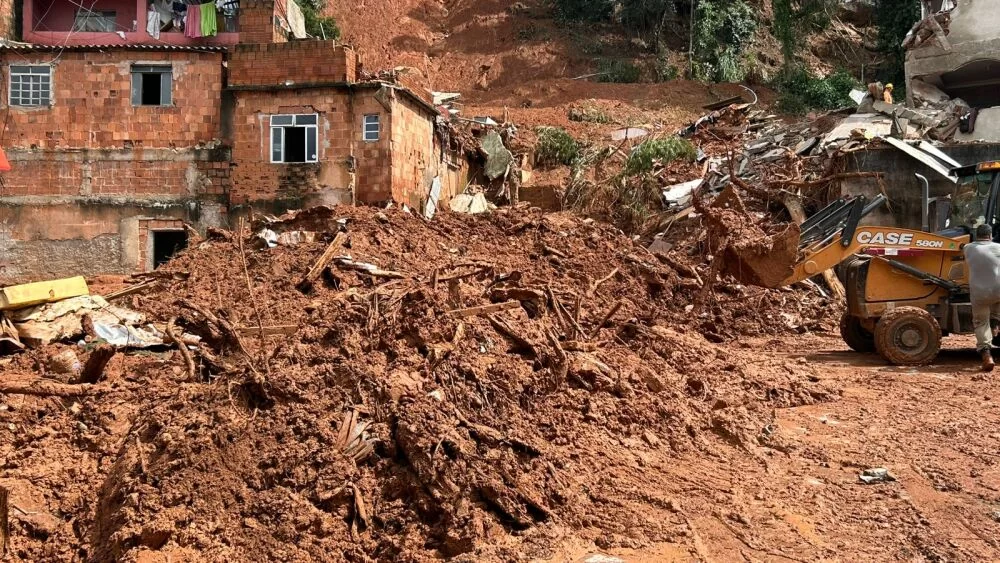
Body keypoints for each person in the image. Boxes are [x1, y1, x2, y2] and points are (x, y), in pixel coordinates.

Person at [964, 223, 1000, 371]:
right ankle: (995, 324)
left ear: (976, 235)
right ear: (990, 235)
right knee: (996, 309)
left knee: (980, 322)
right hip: (998, 291)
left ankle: (986, 355)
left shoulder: (968, 248)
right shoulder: (998, 248)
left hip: (978, 293)